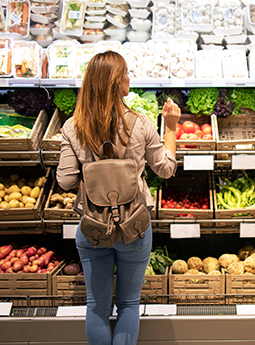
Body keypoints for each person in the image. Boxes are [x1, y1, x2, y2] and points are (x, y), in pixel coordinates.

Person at [56, 51, 181, 345]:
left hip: (92, 227)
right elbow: (165, 169)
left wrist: (93, 172)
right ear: (116, 84)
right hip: (134, 226)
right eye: (125, 74)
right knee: (128, 304)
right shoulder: (141, 124)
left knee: (96, 307)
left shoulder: (73, 128)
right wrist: (172, 127)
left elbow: (65, 180)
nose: (129, 78)